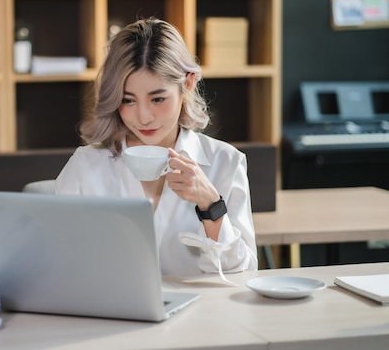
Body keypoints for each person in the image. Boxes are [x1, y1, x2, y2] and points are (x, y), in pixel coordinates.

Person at [55, 17, 257, 277]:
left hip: (203, 316)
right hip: (113, 314)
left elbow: (245, 274)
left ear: (188, 83)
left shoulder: (226, 162)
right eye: (128, 100)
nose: (143, 117)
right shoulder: (86, 165)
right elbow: (58, 264)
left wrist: (211, 205)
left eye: (158, 98)